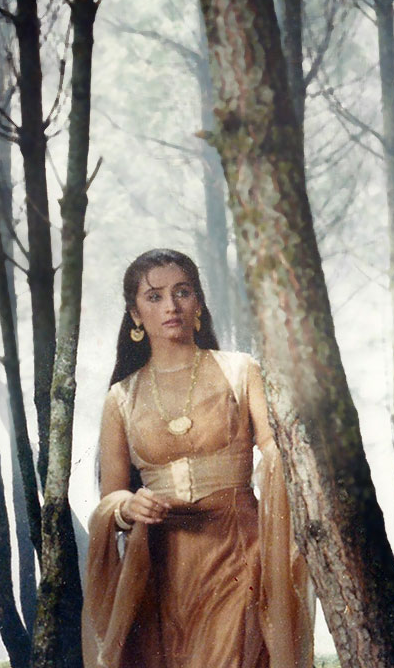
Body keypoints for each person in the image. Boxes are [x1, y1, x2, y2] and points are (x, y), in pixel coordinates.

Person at [82, 248, 313, 668]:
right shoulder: (121, 397)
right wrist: (129, 507)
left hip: (238, 551)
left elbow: (277, 451)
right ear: (135, 315)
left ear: (199, 304)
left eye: (182, 292)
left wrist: (286, 462)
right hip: (158, 564)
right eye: (154, 297)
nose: (171, 306)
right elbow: (110, 499)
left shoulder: (240, 371)